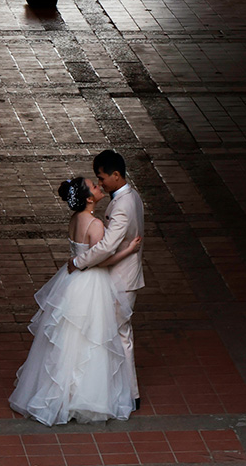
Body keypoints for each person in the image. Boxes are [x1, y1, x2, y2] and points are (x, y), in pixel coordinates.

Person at [9, 176, 142, 425]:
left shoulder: (75, 220)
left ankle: (62, 393)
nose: (98, 187)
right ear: (89, 198)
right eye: (94, 186)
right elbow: (100, 260)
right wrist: (128, 250)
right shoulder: (95, 225)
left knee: (69, 338)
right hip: (92, 283)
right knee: (93, 339)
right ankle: (85, 397)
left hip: (71, 284)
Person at [68, 149, 144, 410]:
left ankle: (129, 394)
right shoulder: (128, 196)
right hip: (110, 276)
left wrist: (78, 262)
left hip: (121, 278)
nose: (99, 183)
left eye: (101, 178)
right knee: (112, 334)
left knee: (119, 334)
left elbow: (106, 247)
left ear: (115, 175)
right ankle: (119, 390)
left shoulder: (122, 205)